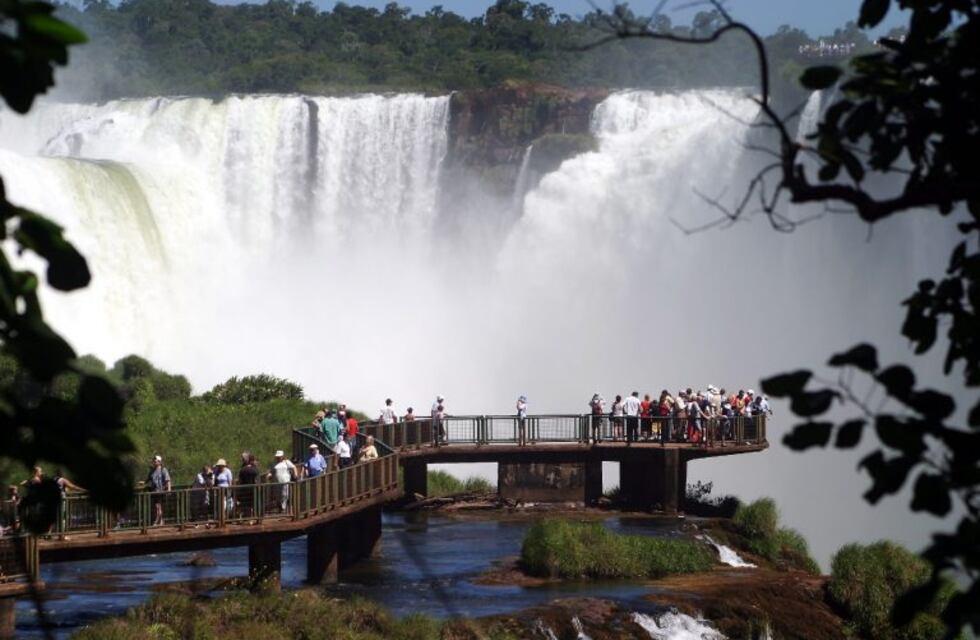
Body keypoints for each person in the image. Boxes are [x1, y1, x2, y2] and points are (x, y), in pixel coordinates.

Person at [146, 455, 171, 526]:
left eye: (155, 460)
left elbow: (168, 480)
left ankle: (156, 521)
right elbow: (148, 479)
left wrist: (169, 489)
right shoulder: (152, 470)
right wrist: (144, 482)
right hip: (154, 491)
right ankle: (161, 521)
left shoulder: (163, 469)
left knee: (158, 507)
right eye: (154, 460)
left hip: (161, 491)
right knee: (157, 507)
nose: (154, 462)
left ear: (159, 462)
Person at [237, 453, 260, 518]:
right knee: (253, 503)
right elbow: (256, 481)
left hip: (244, 490)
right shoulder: (255, 470)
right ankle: (253, 517)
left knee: (245, 504)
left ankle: (247, 516)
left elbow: (240, 481)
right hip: (253, 490)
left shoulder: (242, 469)